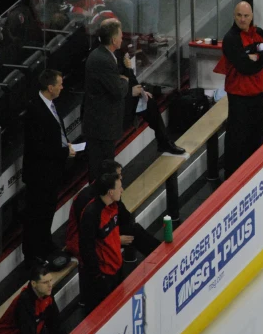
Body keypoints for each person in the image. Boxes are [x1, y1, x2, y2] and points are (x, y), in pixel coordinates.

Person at [217, 1, 263, 178]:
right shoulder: (231, 39)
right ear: (234, 16)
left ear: (252, 16)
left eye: (246, 16)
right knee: (237, 138)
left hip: (257, 94)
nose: (243, 19)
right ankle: (232, 176)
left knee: (255, 134)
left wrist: (257, 56)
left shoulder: (258, 32)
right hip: (238, 96)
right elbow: (245, 67)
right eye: (239, 15)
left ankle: (252, 173)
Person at [21, 69, 75, 265]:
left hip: (52, 171)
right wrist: (63, 152)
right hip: (39, 174)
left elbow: (55, 135)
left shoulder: (51, 105)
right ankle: (32, 254)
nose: (62, 86)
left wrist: (65, 146)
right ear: (50, 87)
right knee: (36, 214)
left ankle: (45, 243)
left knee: (47, 211)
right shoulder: (34, 110)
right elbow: (38, 146)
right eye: (59, 84)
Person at [66, 160, 160, 268]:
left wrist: (118, 201)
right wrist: (116, 239)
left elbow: (125, 217)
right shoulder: (86, 201)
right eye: (119, 175)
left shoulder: (111, 191)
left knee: (134, 230)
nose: (121, 178)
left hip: (104, 230)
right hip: (82, 241)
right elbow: (86, 238)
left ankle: (160, 254)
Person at [83, 19, 130, 182]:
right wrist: (124, 81)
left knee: (104, 167)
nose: (122, 37)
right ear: (113, 40)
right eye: (120, 35)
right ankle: (99, 201)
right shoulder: (102, 59)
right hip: (100, 126)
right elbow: (117, 91)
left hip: (103, 124)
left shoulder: (106, 55)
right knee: (101, 169)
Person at [117, 48, 185, 155]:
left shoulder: (119, 53)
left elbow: (129, 77)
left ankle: (164, 142)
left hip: (128, 96)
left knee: (150, 101)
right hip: (116, 103)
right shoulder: (104, 59)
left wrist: (141, 91)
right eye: (119, 37)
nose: (121, 40)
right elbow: (112, 89)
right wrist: (130, 92)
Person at [78, 172, 124, 313]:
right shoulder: (92, 214)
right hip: (103, 277)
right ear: (110, 192)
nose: (122, 190)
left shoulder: (115, 205)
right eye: (120, 187)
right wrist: (98, 276)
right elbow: (86, 248)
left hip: (117, 268)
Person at [0, 264, 69, 334]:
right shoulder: (24, 302)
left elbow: (53, 320)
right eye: (45, 282)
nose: (50, 285)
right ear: (34, 284)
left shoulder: (46, 293)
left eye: (50, 280)